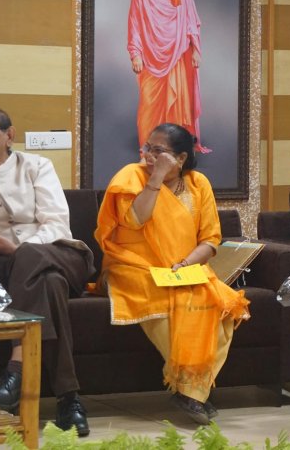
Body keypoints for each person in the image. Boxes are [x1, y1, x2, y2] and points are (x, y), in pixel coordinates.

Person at [0, 105, 95, 436]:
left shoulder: (37, 166)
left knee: (31, 260)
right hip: (16, 271)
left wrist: (18, 249)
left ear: (9, 135)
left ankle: (17, 366)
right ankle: (69, 401)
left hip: (60, 255)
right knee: (48, 286)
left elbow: (56, 224)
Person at [94, 123, 249, 424]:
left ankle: (191, 392)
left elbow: (210, 239)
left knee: (222, 307)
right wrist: (154, 179)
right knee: (165, 302)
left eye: (158, 151)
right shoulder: (131, 177)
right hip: (133, 265)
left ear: (180, 159)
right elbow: (136, 221)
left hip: (184, 268)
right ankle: (193, 391)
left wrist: (186, 265)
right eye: (147, 148)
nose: (148, 155)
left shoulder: (197, 183)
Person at [128, 0, 211, 153]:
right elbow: (135, 21)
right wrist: (135, 52)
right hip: (150, 54)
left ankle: (172, 147)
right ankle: (148, 147)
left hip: (178, 54)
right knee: (149, 102)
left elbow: (191, 20)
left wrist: (195, 50)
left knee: (176, 103)